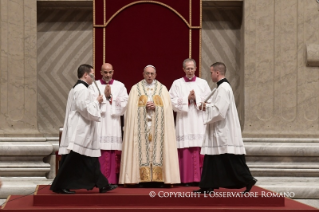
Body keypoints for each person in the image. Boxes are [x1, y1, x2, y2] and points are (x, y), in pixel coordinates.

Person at [50, 64, 117, 194]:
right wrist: (97, 101)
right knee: (74, 159)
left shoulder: (80, 88)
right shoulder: (81, 89)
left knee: (89, 159)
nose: (93, 77)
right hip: (80, 129)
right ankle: (59, 185)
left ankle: (102, 184)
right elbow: (84, 108)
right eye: (92, 74)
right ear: (85, 75)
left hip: (82, 128)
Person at [194, 62, 257, 193]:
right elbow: (217, 105)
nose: (210, 75)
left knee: (230, 159)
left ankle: (247, 179)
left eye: (211, 72)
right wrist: (208, 105)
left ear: (217, 73)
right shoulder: (220, 88)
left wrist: (206, 107)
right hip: (218, 129)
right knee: (211, 157)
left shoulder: (223, 88)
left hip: (223, 129)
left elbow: (220, 111)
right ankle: (207, 185)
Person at [119, 65, 180, 185]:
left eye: (152, 74)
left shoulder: (162, 89)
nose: (149, 76)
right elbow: (130, 110)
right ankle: (139, 179)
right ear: (143, 74)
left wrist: (157, 107)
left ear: (156, 75)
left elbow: (168, 109)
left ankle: (159, 179)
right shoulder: (135, 89)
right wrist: (143, 107)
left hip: (158, 127)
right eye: (147, 73)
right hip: (141, 126)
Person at [169, 59, 211, 186]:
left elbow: (209, 100)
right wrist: (187, 99)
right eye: (187, 69)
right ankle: (186, 179)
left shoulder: (203, 83)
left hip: (198, 120)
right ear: (183, 69)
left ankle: (200, 179)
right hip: (184, 121)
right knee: (185, 148)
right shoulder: (177, 83)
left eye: (192, 68)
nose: (190, 71)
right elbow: (170, 102)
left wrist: (196, 99)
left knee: (199, 148)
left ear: (196, 68)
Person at [89, 63, 128, 184]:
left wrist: (110, 97)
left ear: (113, 72)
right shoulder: (93, 86)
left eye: (110, 72)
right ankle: (98, 180)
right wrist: (102, 99)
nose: (107, 75)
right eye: (105, 72)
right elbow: (90, 103)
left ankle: (111, 180)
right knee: (99, 150)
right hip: (99, 123)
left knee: (112, 151)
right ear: (100, 72)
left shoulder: (120, 86)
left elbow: (125, 103)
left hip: (113, 123)